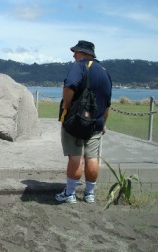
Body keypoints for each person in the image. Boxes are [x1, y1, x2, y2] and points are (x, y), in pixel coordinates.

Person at [56, 40, 112, 204]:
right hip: (96, 122)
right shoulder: (104, 72)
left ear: (84, 53)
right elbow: (107, 103)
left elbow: (69, 86)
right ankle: (89, 194)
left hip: (76, 121)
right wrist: (103, 123)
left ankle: (70, 193)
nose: (74, 55)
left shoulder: (79, 66)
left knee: (75, 157)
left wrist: (66, 105)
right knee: (92, 157)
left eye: (76, 52)